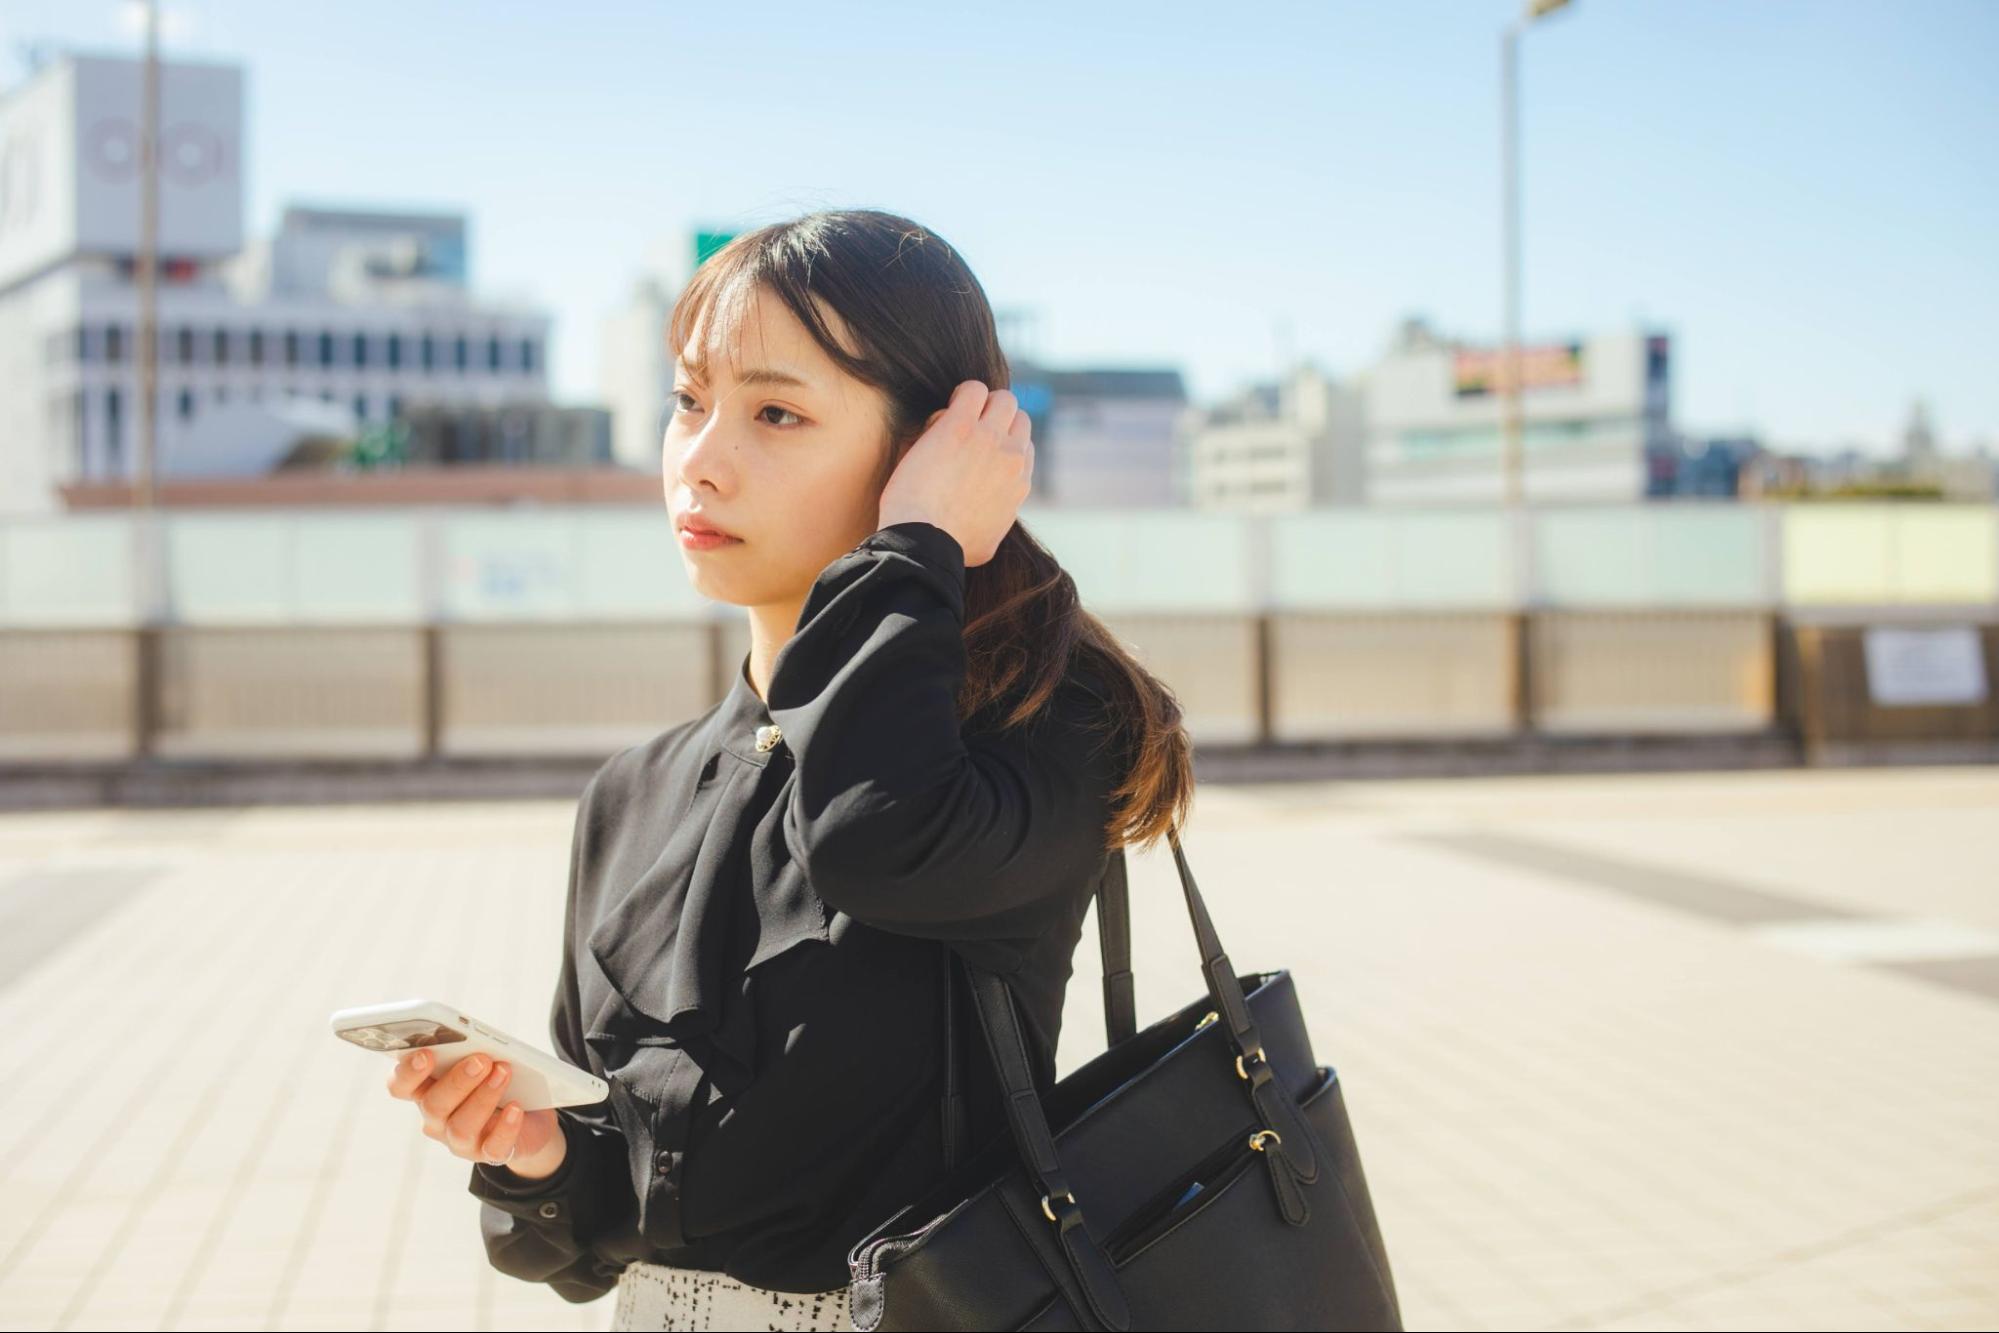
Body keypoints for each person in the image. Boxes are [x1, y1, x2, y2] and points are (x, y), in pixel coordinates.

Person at [384, 208, 1194, 1328]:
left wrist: (917, 547)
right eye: (687, 402)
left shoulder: (1038, 731)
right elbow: (597, 1235)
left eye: (774, 412)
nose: (702, 460)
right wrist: (533, 1158)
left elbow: (875, 837)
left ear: (932, 450)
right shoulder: (636, 791)